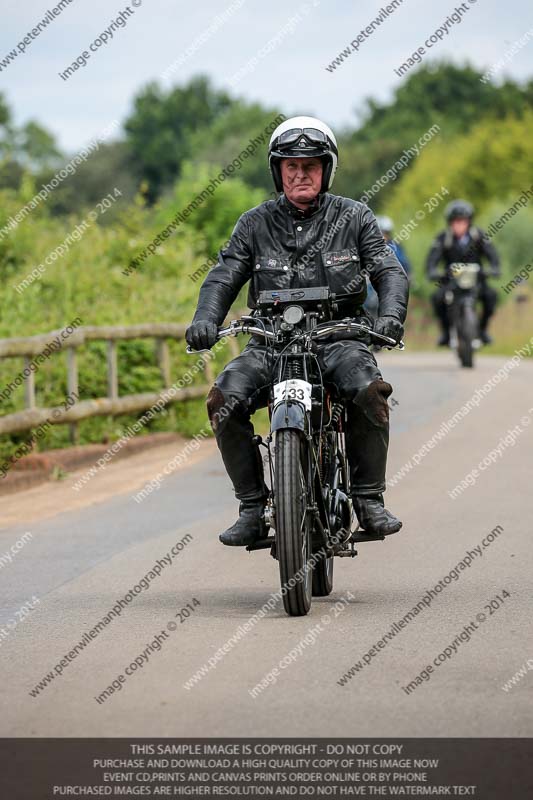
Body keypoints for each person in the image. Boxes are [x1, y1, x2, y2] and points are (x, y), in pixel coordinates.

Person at [186, 116, 409, 546]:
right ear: (278, 171)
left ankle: (368, 499)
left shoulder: (355, 217)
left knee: (368, 389)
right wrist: (205, 319)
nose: (300, 173)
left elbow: (388, 270)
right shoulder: (253, 223)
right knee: (223, 398)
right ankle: (252, 507)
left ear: (326, 170)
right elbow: (224, 275)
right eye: (291, 165)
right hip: (269, 341)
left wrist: (390, 316)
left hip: (338, 337)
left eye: (310, 164)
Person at [426, 200, 500, 346]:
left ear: (469, 222)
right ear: (450, 223)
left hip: (477, 280)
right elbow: (432, 259)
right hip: (451, 281)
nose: (459, 225)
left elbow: (492, 255)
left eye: (463, 221)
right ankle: (446, 332)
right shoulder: (443, 238)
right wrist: (433, 271)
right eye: (455, 221)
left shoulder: (479, 236)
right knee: (437, 298)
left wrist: (494, 268)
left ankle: (483, 330)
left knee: (491, 296)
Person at [365, 216, 411, 320]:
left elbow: (405, 265)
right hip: (369, 288)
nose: (382, 236)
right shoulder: (366, 247)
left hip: (387, 285)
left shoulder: (395, 247)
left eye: (385, 233)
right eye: (379, 232)